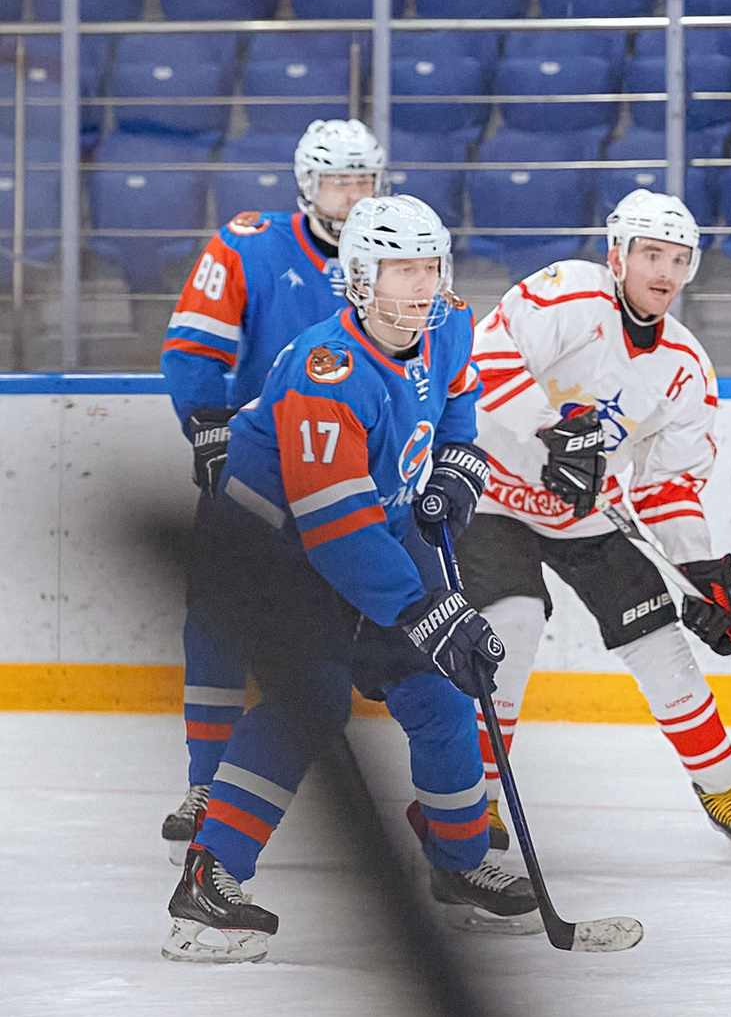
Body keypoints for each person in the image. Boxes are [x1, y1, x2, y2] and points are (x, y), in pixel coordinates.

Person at [164, 195, 536, 963]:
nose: (422, 283)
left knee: (439, 691)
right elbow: (335, 527)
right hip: (271, 553)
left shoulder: (449, 324)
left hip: (362, 538)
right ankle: (209, 879)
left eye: (430, 264)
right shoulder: (324, 373)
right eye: (403, 267)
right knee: (314, 698)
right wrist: (425, 610)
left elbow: (459, 401)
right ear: (360, 278)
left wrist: (459, 472)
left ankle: (460, 866)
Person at [454, 189, 731, 859]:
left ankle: (721, 786)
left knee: (661, 638)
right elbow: (484, 355)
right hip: (492, 493)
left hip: (584, 510)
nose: (663, 271)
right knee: (510, 623)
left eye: (678, 259)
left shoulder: (686, 367)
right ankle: (477, 797)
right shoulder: (569, 293)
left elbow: (666, 484)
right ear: (617, 255)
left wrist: (700, 575)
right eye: (650, 253)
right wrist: (550, 431)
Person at [156, 120, 385, 862]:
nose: (352, 198)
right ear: (304, 184)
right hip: (259, 470)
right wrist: (208, 426)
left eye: (364, 181)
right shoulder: (250, 243)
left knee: (370, 643)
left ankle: (442, 805)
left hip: (353, 478)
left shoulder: (397, 257)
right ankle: (206, 786)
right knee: (217, 624)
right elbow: (193, 345)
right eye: (338, 182)